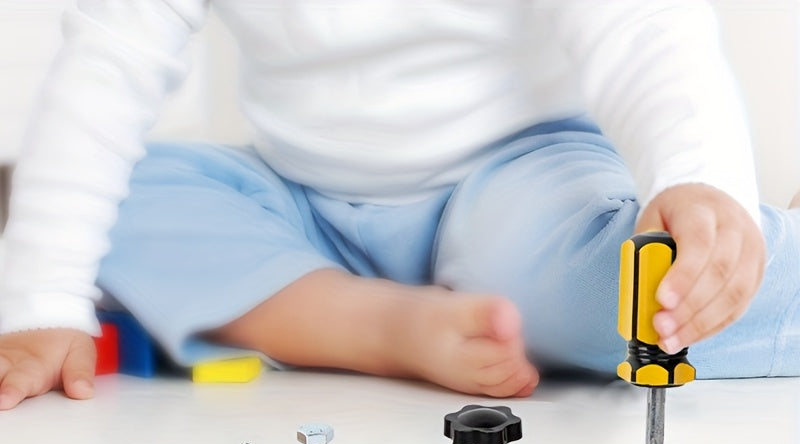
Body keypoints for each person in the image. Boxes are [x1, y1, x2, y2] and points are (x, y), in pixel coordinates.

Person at [0, 0, 796, 410]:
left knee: (639, 288)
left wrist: (699, 178)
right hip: (303, 206)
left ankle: (775, 248)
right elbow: (105, 71)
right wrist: (42, 303)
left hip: (523, 182)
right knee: (130, 195)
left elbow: (644, 30)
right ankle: (381, 326)